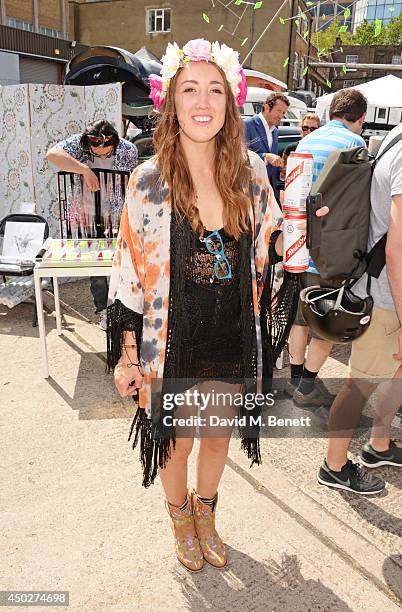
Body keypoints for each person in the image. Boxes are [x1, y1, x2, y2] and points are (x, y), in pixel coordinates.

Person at [107, 39, 327, 572]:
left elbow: (271, 244)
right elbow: (130, 274)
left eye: (215, 91)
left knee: (217, 439)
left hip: (231, 334)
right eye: (190, 90)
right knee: (176, 444)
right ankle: (179, 519)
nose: (202, 102)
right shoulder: (149, 180)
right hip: (171, 339)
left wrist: (300, 234)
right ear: (171, 101)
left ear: (231, 102)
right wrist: (128, 354)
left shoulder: (251, 173)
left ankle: (206, 515)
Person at [317, 122, 402, 495]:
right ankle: (334, 466)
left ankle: (379, 445)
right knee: (359, 384)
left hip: (384, 289)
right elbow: (397, 251)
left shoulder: (396, 135)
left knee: (395, 374)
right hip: (387, 296)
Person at [286, 90, 367, 409]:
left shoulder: (306, 141)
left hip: (300, 245)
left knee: (301, 316)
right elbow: (358, 205)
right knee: (328, 318)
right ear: (360, 119)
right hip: (334, 248)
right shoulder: (354, 145)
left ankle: (295, 378)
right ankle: (306, 387)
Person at [46, 120, 138, 330]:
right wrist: (84, 169)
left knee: (121, 263)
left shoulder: (128, 149)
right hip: (86, 214)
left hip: (116, 215)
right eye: (96, 152)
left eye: (107, 153)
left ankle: (122, 309)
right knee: (95, 269)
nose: (102, 155)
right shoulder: (79, 144)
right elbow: (52, 155)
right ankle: (103, 311)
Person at [243, 92, 290, 197]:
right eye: (279, 111)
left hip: (269, 192)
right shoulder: (247, 125)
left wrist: (281, 171)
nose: (281, 116)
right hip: (250, 190)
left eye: (283, 112)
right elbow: (238, 156)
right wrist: (264, 156)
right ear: (267, 107)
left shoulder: (275, 131)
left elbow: (273, 161)